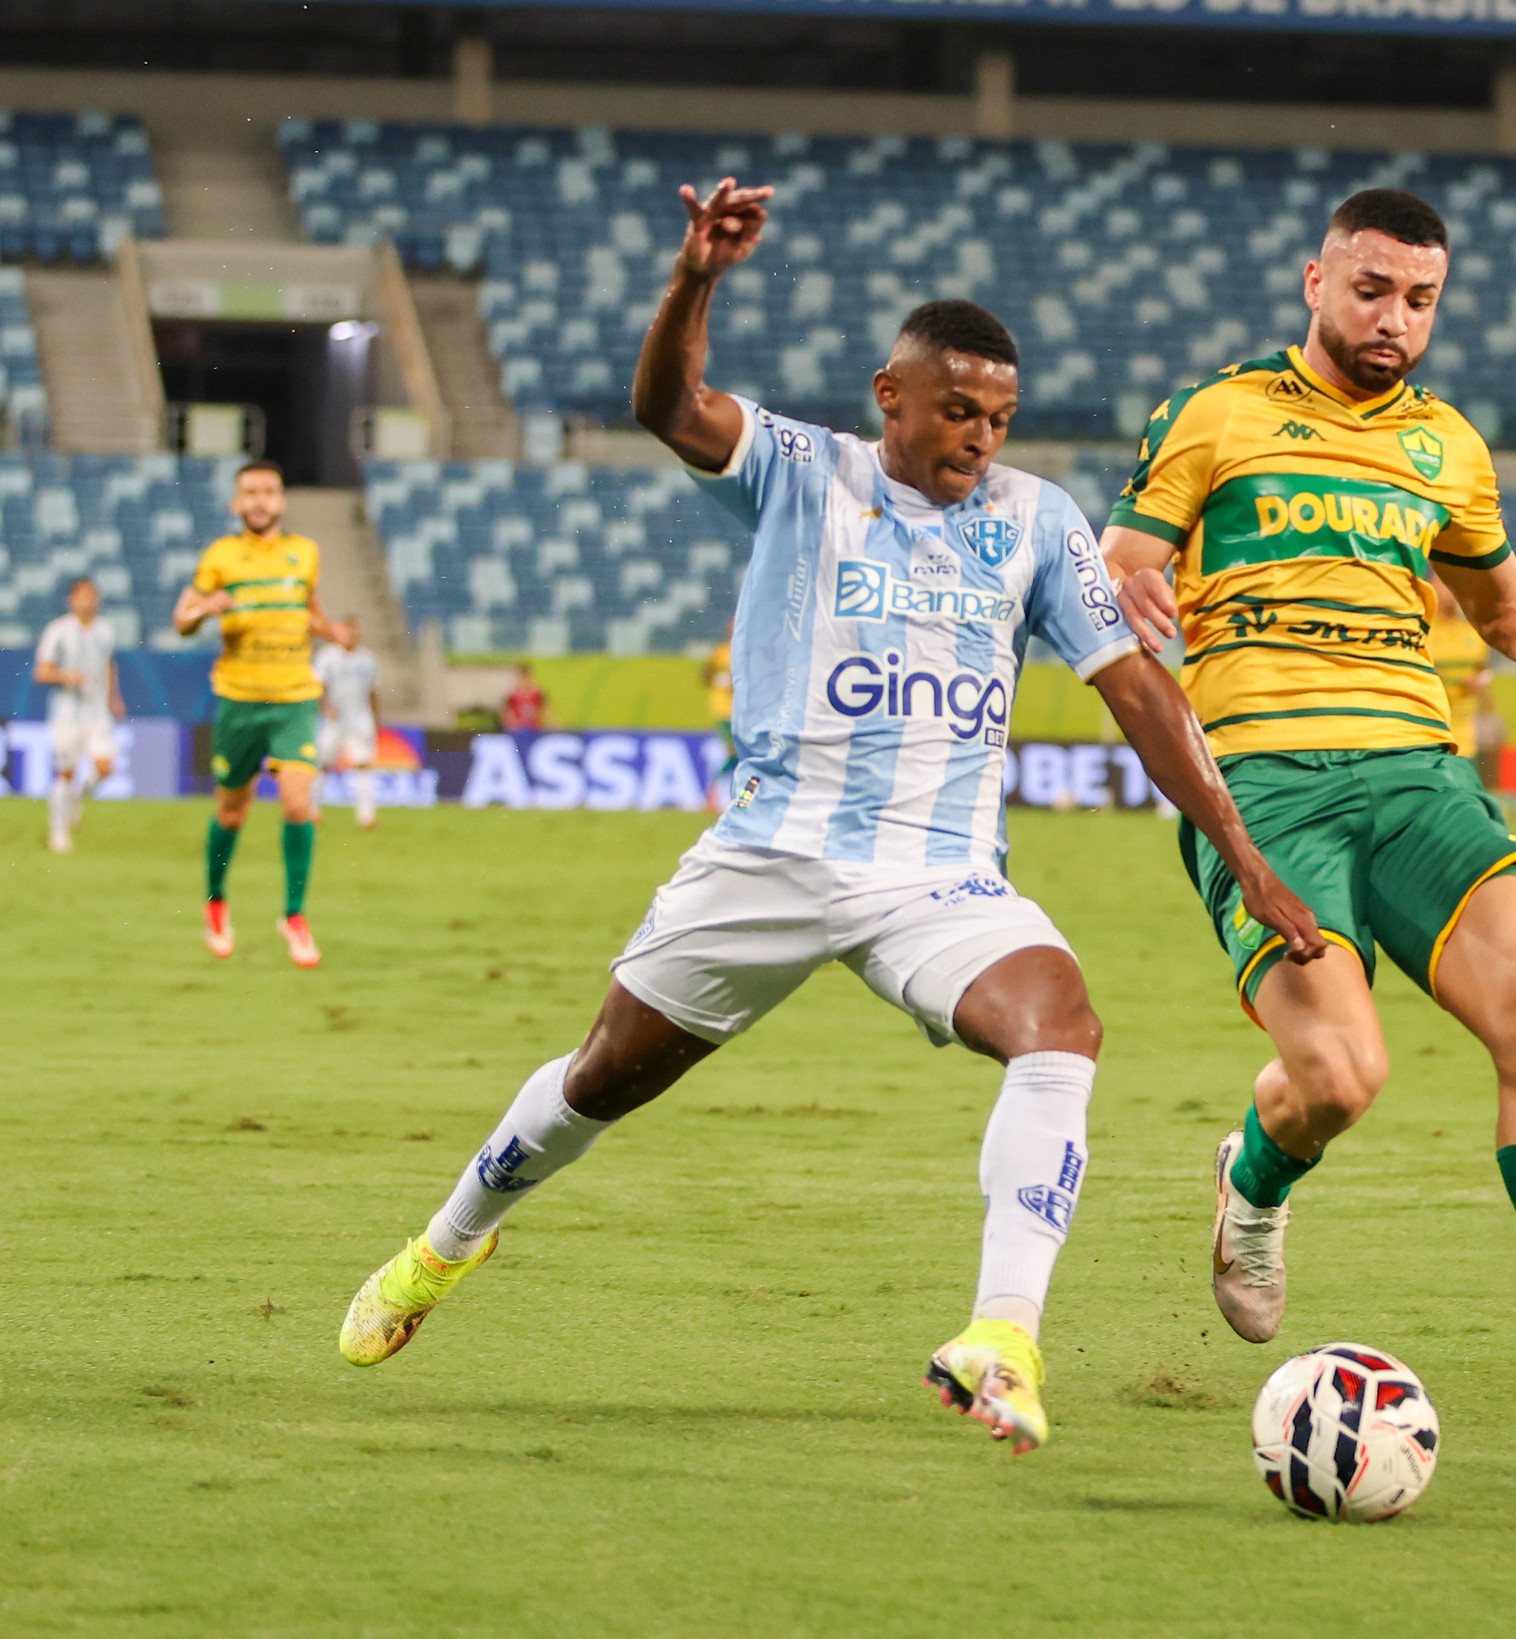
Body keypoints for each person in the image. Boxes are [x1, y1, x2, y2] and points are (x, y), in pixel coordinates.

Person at [338, 179, 1321, 1456]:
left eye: (1000, 418)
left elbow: (1136, 688)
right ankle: (443, 1244)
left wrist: (1241, 853)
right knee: (598, 1081)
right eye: (956, 410)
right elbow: (665, 409)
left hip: (938, 879)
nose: (978, 438)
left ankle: (1002, 1337)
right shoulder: (806, 470)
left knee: (1060, 1024)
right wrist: (695, 276)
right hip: (765, 854)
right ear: (890, 395)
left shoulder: (1036, 522)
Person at [1103, 187, 1516, 1438]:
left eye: (1420, 300)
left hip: (1416, 776)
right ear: (1314, 281)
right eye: (1372, 289)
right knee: (1338, 1076)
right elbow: (1119, 557)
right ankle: (1254, 1177)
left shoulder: (1446, 444)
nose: (1395, 319)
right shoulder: (1214, 416)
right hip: (1264, 784)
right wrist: (1125, 591)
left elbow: (1508, 614)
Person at [172, 458, 335, 969]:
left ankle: (294, 915)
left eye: (269, 491)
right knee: (232, 812)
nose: (260, 500)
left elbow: (310, 609)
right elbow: (182, 619)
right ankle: (216, 902)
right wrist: (204, 610)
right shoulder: (221, 557)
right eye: (251, 492)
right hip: (240, 699)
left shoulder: (304, 553)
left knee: (296, 802)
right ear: (236, 503)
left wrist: (335, 635)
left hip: (294, 697)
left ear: (282, 501)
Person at [33, 574, 123, 853]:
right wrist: (64, 676)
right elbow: (41, 671)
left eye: (91, 596)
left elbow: (109, 664)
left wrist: (114, 696)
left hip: (96, 714)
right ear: (71, 601)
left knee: (105, 768)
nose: (87, 602)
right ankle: (58, 833)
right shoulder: (58, 631)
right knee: (67, 772)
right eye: (81, 596)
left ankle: (75, 799)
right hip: (67, 714)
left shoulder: (106, 630)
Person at [314, 617, 381, 830]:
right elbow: (319, 686)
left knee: (363, 765)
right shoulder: (327, 656)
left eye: (352, 632)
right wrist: (326, 708)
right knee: (322, 763)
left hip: (359, 718)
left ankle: (366, 817)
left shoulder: (369, 660)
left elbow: (373, 691)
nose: (348, 636)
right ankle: (312, 811)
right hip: (334, 719)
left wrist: (376, 718)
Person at [1424, 572, 1492, 763]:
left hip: (1466, 735)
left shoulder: (1471, 633)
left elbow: (1484, 671)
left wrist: (1482, 680)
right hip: (1429, 731)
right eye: (1445, 586)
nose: (1451, 593)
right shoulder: (1422, 631)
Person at [703, 616, 735, 808]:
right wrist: (720, 679)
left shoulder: (744, 650)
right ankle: (713, 794)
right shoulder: (721, 652)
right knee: (735, 752)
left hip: (741, 713)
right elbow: (705, 675)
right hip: (723, 711)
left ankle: (734, 798)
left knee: (741, 756)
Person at [500, 663, 548, 731]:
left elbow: (543, 709)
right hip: (517, 728)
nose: (525, 680)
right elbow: (506, 711)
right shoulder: (512, 693)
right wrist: (514, 723)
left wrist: (537, 720)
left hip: (534, 728)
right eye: (522, 677)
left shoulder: (537, 692)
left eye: (527, 677)